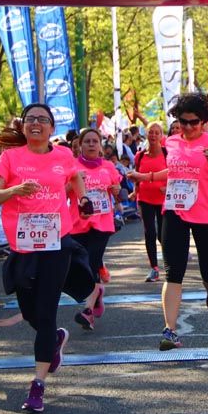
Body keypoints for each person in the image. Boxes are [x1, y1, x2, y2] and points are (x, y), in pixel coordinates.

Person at [0, 104, 93, 413]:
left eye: (42, 120)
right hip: (22, 247)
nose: (36, 124)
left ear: (51, 127)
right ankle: (56, 338)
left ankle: (38, 385)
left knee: (45, 312)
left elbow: (75, 178)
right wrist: (17, 189)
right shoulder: (10, 158)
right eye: (30, 119)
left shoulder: (62, 156)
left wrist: (83, 196)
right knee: (30, 311)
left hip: (56, 243)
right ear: (23, 126)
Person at [131, 93, 208, 349]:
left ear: (205, 121)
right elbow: (174, 171)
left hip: (206, 213)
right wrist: (147, 178)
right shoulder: (172, 142)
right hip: (174, 211)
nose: (187, 127)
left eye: (193, 122)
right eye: (183, 122)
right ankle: (170, 330)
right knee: (173, 272)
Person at [70, 128, 122, 332]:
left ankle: (88, 310)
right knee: (82, 266)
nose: (91, 144)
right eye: (87, 141)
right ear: (80, 146)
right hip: (78, 222)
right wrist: (75, 181)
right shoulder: (72, 167)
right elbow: (62, 192)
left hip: (102, 223)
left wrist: (116, 191)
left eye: (95, 141)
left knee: (92, 260)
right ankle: (97, 293)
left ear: (100, 145)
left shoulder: (108, 167)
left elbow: (117, 191)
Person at [129, 122, 168, 282]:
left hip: (163, 199)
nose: (153, 135)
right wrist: (134, 191)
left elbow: (173, 173)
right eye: (150, 132)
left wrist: (167, 187)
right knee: (149, 233)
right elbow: (138, 177)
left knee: (162, 234)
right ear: (146, 134)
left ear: (161, 136)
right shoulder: (140, 156)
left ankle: (170, 263)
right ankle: (154, 268)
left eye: (156, 133)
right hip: (145, 198)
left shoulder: (167, 153)